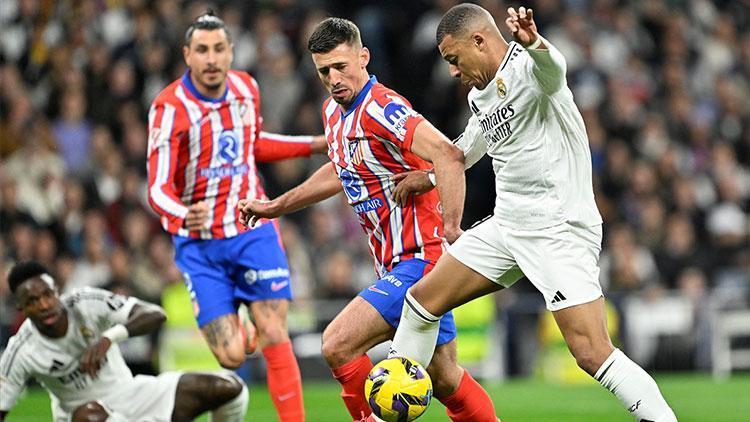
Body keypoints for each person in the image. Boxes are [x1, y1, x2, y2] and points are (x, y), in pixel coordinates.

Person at [386, 4, 678, 422]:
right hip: (508, 226)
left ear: (480, 41)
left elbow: (554, 70)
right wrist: (430, 178)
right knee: (420, 302)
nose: (452, 71)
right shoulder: (479, 95)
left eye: (454, 59)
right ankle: (390, 411)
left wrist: (536, 43)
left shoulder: (532, 69)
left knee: (591, 352)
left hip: (558, 228)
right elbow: (469, 147)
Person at [239, 17, 498, 422]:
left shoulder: (383, 107)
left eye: (342, 66)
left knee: (337, 344)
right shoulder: (333, 113)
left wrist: (451, 229)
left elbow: (448, 154)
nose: (334, 78)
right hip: (394, 262)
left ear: (364, 57)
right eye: (324, 71)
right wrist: (276, 205)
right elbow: (339, 171)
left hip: (422, 261)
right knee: (445, 379)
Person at [146, 11, 325, 421]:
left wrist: (313, 144)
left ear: (231, 52)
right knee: (230, 356)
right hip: (200, 243)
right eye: (202, 51)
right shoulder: (169, 108)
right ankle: (241, 328)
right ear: (187, 55)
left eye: (219, 49)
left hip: (251, 226)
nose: (212, 59)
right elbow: (156, 187)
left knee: (276, 333)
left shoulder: (246, 88)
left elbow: (252, 143)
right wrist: (183, 212)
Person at [0, 261, 248, 422]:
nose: (44, 304)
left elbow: (155, 315)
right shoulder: (21, 350)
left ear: (57, 291)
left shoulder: (86, 302)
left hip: (132, 395)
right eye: (33, 301)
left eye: (47, 294)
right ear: (21, 308)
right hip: (85, 414)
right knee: (89, 418)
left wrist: (109, 338)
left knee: (230, 388)